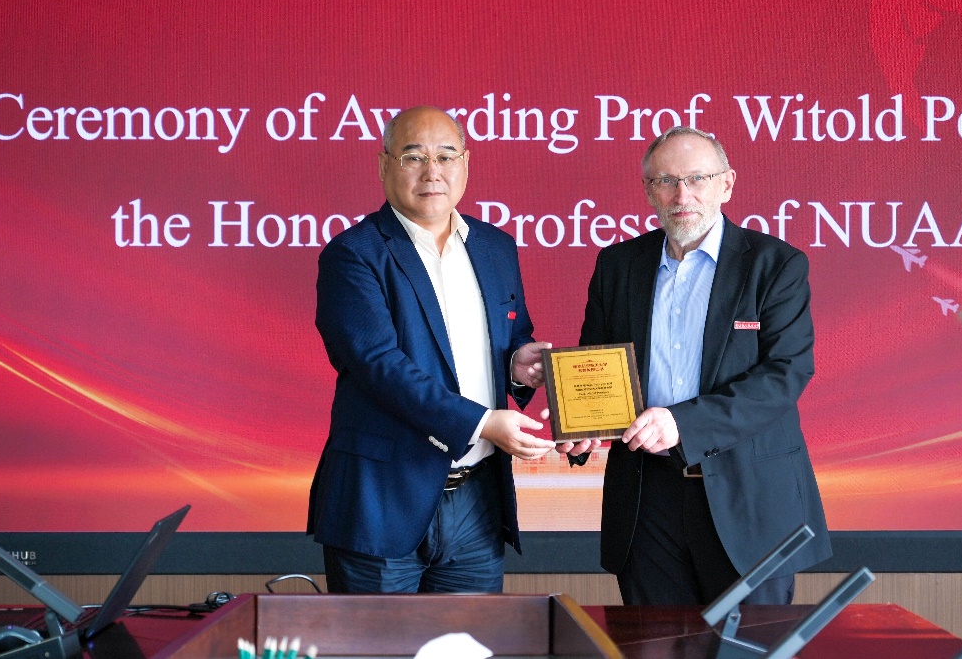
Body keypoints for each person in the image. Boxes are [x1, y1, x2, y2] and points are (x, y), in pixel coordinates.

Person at [566, 125, 831, 605]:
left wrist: (681, 423)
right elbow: (597, 364)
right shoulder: (618, 265)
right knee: (653, 641)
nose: (681, 195)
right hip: (647, 501)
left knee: (749, 642)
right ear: (649, 190)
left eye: (696, 179)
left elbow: (785, 374)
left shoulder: (774, 264)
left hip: (748, 499)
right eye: (666, 181)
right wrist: (584, 425)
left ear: (727, 184)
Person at [307, 105, 555, 594]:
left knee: (467, 637)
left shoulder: (495, 247)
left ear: (466, 163)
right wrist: (482, 423)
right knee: (379, 641)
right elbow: (379, 366)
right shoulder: (353, 255)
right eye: (413, 156)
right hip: (382, 501)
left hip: (476, 503)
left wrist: (516, 363)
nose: (432, 172)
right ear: (384, 165)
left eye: (445, 156)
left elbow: (512, 334)